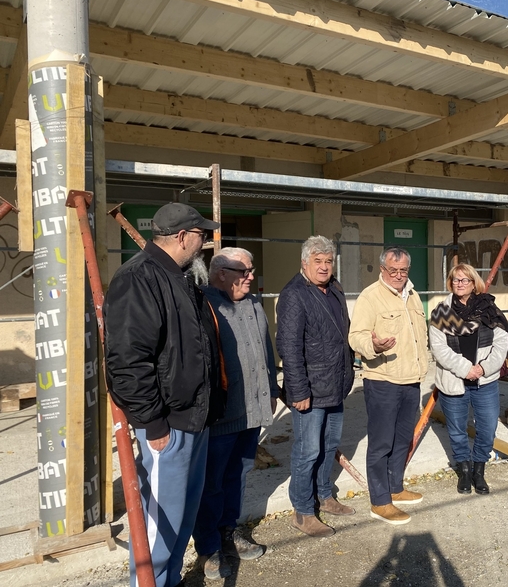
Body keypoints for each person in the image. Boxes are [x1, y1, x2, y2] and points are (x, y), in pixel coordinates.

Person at [103, 203, 224, 587]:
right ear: (183, 237)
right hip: (168, 425)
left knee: (182, 517)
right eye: (201, 236)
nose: (204, 244)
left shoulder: (179, 277)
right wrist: (154, 424)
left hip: (194, 418)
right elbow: (126, 362)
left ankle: (169, 580)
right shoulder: (138, 279)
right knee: (159, 524)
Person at [192, 247, 280, 579]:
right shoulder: (203, 304)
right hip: (221, 414)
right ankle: (208, 547)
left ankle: (230, 531)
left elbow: (265, 350)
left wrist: (272, 389)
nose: (252, 277)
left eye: (252, 271)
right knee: (211, 482)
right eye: (245, 272)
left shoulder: (254, 304)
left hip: (252, 410)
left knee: (237, 476)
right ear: (221, 274)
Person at [276, 235, 355, 538]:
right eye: (318, 261)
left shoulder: (334, 288)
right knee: (307, 450)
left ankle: (325, 496)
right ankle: (303, 511)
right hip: (310, 388)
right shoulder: (294, 295)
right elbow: (289, 347)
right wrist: (298, 392)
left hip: (335, 383)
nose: (324, 267)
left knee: (329, 445)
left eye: (328, 261)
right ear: (304, 263)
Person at [349, 247, 429, 526]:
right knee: (381, 443)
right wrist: (373, 345)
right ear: (382, 269)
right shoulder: (370, 297)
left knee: (401, 440)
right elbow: (356, 336)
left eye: (403, 270)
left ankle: (396, 487)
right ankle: (380, 501)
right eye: (392, 270)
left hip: (411, 380)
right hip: (383, 381)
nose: (398, 275)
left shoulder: (413, 294)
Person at [429, 263, 508, 495]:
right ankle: (464, 470)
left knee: (487, 428)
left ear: (474, 283)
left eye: (465, 280)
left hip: (485, 381)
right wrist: (467, 369)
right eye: (456, 280)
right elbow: (439, 349)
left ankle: (479, 470)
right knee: (456, 430)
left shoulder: (489, 309)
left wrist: (483, 369)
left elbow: (501, 343)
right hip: (454, 380)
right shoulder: (441, 312)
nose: (460, 284)